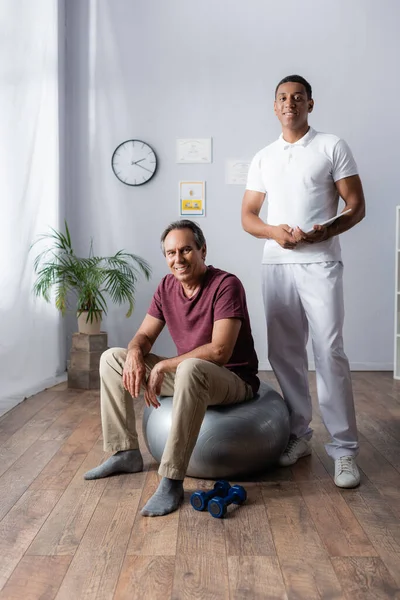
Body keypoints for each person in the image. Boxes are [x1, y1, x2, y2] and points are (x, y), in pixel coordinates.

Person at [84, 219, 259, 515]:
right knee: (112, 358)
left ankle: (171, 479)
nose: (178, 259)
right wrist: (136, 353)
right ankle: (124, 451)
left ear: (203, 250)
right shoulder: (167, 287)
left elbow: (219, 350)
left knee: (190, 367)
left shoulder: (226, 285)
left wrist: (164, 365)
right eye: (171, 253)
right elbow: (144, 335)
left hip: (232, 378)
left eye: (186, 250)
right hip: (191, 374)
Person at [241, 74, 365, 488]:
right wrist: (274, 232)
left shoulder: (332, 146)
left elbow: (356, 206)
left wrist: (325, 232)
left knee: (329, 350)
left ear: (310, 104)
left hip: (321, 262)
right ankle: (299, 435)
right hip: (276, 265)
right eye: (282, 97)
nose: (289, 103)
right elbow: (249, 217)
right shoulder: (263, 157)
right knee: (285, 354)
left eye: (297, 97)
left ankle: (345, 449)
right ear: (273, 106)